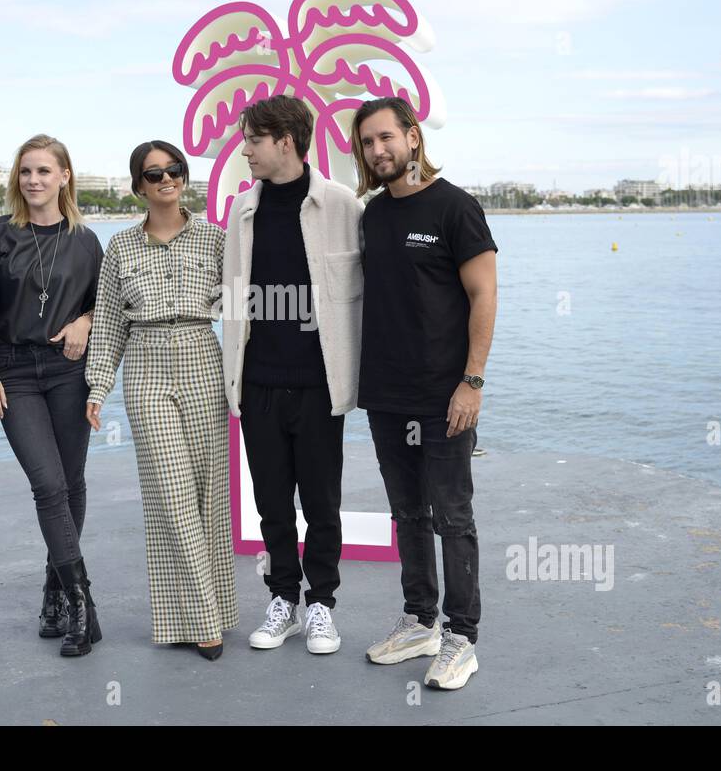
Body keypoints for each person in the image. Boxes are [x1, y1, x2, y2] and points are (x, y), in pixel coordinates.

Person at [353, 96, 498, 690]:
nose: (378, 150)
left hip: (445, 396)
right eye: (367, 142)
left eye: (386, 137)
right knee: (407, 512)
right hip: (386, 394)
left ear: (413, 137)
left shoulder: (456, 208)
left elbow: (484, 295)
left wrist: (472, 380)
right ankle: (420, 621)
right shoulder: (373, 215)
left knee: (452, 514)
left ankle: (462, 638)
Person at [222, 95, 364, 655]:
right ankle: (283, 597)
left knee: (322, 503)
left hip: (319, 384)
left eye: (253, 139)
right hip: (257, 382)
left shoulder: (342, 205)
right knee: (272, 504)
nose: (246, 148)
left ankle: (322, 604)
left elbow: (378, 289)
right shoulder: (240, 210)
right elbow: (230, 291)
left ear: (286, 140)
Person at [85, 140, 237, 660]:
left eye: (174, 170)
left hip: (203, 357)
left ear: (184, 177)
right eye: (154, 174)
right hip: (147, 366)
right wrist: (98, 387)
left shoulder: (217, 240)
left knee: (209, 497)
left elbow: (242, 311)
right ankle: (205, 621)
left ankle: (200, 613)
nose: (166, 179)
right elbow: (106, 322)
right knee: (170, 495)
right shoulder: (120, 248)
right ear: (138, 186)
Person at [0, 134, 103, 656]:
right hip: (16, 372)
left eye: (44, 171)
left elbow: (105, 305)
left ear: (65, 176)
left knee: (71, 482)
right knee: (48, 485)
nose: (34, 180)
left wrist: (85, 321)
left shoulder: (87, 241)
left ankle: (54, 592)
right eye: (26, 172)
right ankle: (82, 602)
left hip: (70, 371)